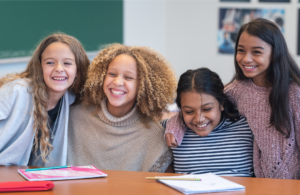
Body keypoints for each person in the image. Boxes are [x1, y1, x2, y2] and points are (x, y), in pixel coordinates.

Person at [166, 18, 300, 179]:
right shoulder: (237, 91)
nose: (246, 59)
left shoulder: (294, 92)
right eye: (241, 50)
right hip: (262, 183)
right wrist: (174, 128)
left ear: (275, 53)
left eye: (256, 52)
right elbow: (198, 106)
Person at [67, 44, 177, 172]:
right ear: (101, 76)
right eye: (112, 74)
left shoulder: (154, 136)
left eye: (128, 77)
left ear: (144, 85)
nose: (118, 82)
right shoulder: (73, 117)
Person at [0, 33, 90, 166]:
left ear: (78, 71)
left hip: (32, 178)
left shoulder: (70, 100)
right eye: (50, 62)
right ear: (40, 67)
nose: (59, 69)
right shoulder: (16, 91)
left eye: (67, 63)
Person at [161, 68, 253, 176]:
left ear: (222, 104)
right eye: (189, 111)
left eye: (207, 109)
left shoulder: (248, 127)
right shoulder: (168, 131)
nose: (199, 119)